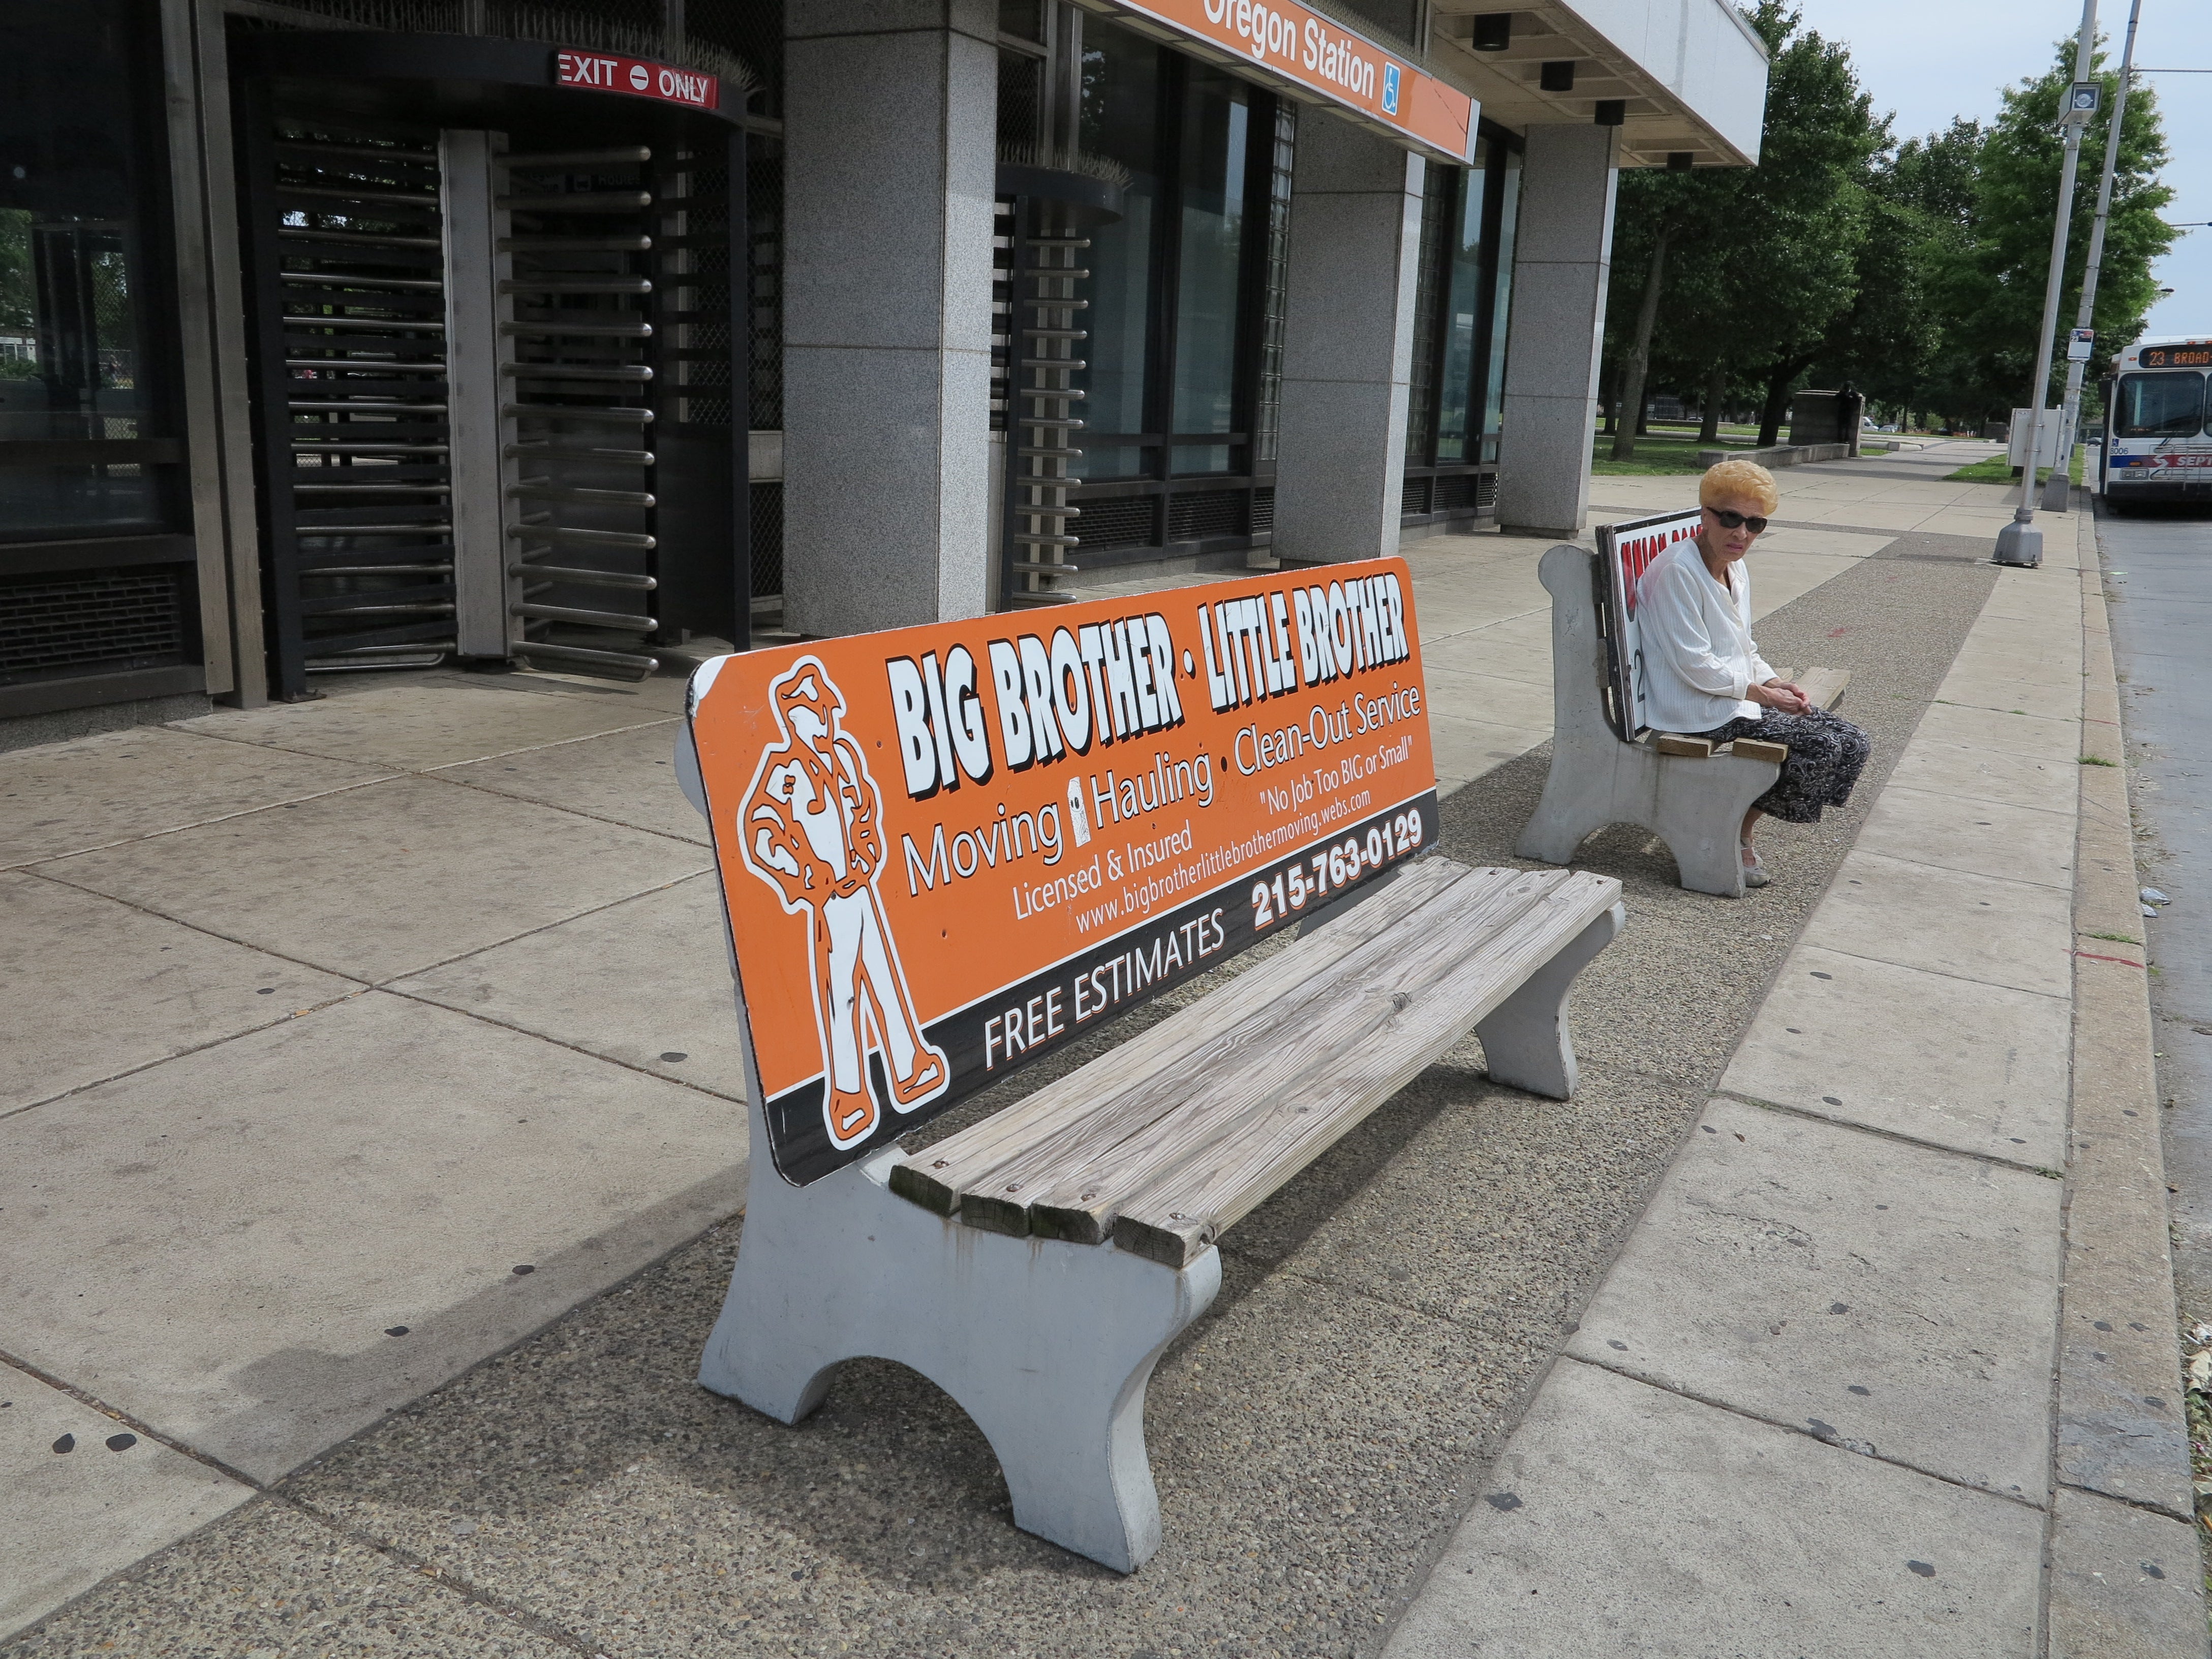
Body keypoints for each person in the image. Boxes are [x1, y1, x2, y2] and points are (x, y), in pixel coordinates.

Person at [1635, 458, 1870, 888]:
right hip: (1697, 709)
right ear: (1705, 516)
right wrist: (1764, 696)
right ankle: (1735, 831)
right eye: (1731, 519)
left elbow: (1743, 646)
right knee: (1819, 748)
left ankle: (1734, 822)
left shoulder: (1734, 567)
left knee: (1853, 743)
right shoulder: (1678, 572)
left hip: (1731, 698)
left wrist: (1774, 681)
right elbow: (1694, 665)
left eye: (1755, 524)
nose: (1742, 534)